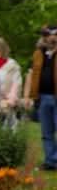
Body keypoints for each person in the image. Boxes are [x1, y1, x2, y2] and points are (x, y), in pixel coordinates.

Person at [32, 29, 57, 171]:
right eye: (45, 35)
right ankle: (50, 161)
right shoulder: (38, 53)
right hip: (42, 96)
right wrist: (33, 96)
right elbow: (33, 74)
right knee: (46, 132)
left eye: (51, 35)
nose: (48, 38)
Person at [0, 37, 23, 123]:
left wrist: (10, 101)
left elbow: (17, 84)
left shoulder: (13, 65)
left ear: (3, 50)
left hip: (6, 105)